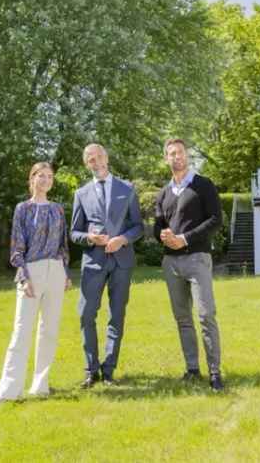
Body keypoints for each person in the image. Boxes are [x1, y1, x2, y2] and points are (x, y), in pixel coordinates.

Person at [0, 162, 72, 407]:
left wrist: (65, 272)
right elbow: (17, 247)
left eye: (50, 176)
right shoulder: (22, 209)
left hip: (56, 271)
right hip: (32, 271)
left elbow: (63, 245)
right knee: (21, 331)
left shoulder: (58, 209)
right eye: (41, 176)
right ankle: (7, 392)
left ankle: (40, 386)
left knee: (50, 331)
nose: (46, 180)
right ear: (32, 179)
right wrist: (24, 277)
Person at [70, 144, 143, 388]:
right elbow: (74, 233)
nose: (96, 161)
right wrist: (89, 238)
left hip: (122, 262)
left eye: (99, 156)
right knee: (86, 314)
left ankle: (109, 369)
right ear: (86, 164)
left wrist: (122, 239)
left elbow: (138, 227)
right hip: (93, 262)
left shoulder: (127, 189)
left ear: (107, 158)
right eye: (91, 159)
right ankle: (91, 370)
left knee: (117, 315)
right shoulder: (81, 193)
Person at [154, 138, 224, 391]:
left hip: (197, 259)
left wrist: (184, 239)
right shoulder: (163, 193)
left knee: (206, 314)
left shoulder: (203, 185)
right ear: (166, 159)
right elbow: (158, 226)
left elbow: (216, 220)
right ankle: (192, 369)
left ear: (187, 155)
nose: (176, 157)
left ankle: (215, 372)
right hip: (171, 262)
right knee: (183, 318)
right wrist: (163, 236)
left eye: (180, 152)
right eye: (171, 154)